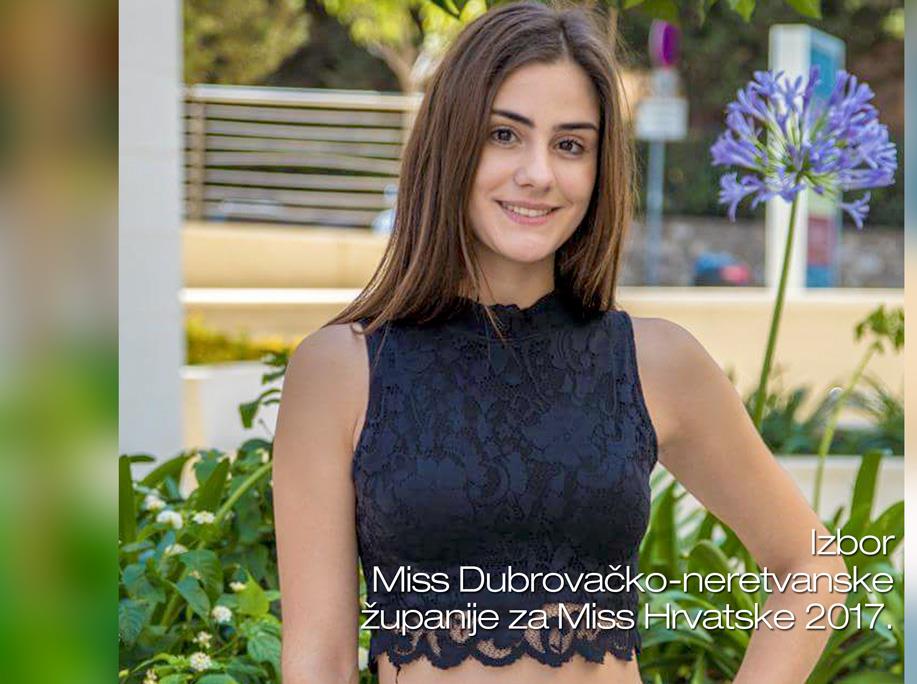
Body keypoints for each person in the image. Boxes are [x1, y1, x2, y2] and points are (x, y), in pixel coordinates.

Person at [271, 3, 847, 683]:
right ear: (450, 143)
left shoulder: (658, 363)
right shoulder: (338, 371)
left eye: (571, 145)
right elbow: (318, 661)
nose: (538, 173)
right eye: (504, 135)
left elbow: (812, 566)